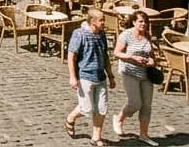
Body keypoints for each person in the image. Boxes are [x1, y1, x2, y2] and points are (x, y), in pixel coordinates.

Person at [66, 8, 115, 145]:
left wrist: (110, 75)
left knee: (101, 108)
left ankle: (96, 137)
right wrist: (72, 77)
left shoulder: (101, 34)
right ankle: (70, 118)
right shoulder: (79, 34)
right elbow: (71, 56)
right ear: (92, 21)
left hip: (100, 77)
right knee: (86, 109)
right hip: (85, 76)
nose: (104, 22)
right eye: (101, 20)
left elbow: (105, 55)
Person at [113, 10, 159, 145]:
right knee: (135, 103)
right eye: (140, 21)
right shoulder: (126, 35)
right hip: (129, 72)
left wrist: (151, 61)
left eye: (145, 22)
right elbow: (117, 53)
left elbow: (152, 55)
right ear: (134, 22)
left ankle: (144, 135)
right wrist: (132, 57)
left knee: (146, 106)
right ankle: (119, 118)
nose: (143, 24)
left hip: (146, 74)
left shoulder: (148, 37)